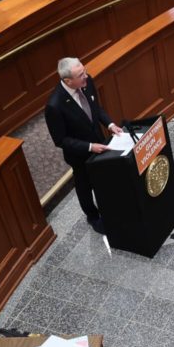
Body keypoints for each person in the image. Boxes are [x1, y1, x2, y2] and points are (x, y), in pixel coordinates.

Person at [44, 57, 124, 234]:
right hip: (80, 155)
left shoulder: (87, 82)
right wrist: (89, 147)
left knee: (105, 178)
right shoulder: (54, 106)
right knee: (85, 186)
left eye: (85, 71)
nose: (86, 77)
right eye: (81, 75)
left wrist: (110, 125)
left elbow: (96, 109)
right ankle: (93, 217)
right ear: (67, 81)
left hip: (100, 142)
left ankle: (112, 208)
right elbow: (61, 140)